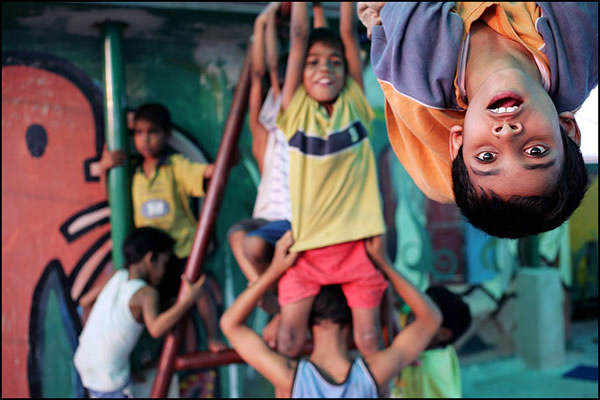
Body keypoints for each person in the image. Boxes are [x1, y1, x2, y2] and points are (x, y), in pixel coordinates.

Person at [357, 2, 597, 239]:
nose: (507, 133)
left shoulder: (417, 72)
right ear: (567, 130)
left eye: (487, 157)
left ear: (459, 141)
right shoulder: (578, 45)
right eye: (536, 151)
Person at [274, 2, 388, 359]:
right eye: (313, 62)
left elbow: (346, 36)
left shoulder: (355, 102)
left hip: (358, 246)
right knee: (287, 343)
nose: (325, 67)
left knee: (370, 341)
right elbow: (298, 37)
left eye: (334, 62)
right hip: (307, 249)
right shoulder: (293, 110)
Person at [220, 231, 442, 398]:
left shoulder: (291, 378)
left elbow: (231, 324)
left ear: (306, 322)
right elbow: (431, 319)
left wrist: (275, 270)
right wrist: (385, 265)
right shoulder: (372, 375)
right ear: (352, 321)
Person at [99, 103, 226, 352]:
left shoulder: (175, 166)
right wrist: (105, 169)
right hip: (152, 257)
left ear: (167, 135)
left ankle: (213, 337)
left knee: (198, 291)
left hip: (181, 249)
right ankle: (148, 355)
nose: (144, 139)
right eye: (138, 133)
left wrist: (227, 159)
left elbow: (206, 173)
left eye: (152, 132)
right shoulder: (132, 172)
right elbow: (114, 203)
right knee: (151, 308)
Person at [74, 227, 209, 398]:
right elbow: (156, 328)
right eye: (163, 264)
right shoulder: (146, 293)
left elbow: (85, 301)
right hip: (109, 377)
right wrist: (188, 301)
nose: (164, 272)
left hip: (85, 360)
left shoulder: (118, 275)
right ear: (150, 258)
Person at [392, 285, 472, 398]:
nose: (412, 313)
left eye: (424, 314)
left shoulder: (424, 370)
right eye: (416, 306)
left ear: (443, 334)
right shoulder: (444, 350)